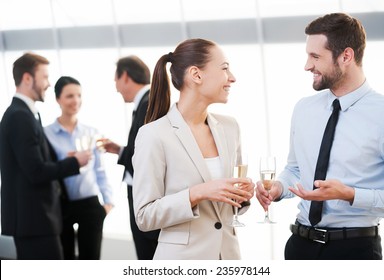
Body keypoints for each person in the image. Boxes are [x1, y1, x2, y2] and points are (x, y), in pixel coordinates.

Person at [256, 13, 384, 260]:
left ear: (346, 56)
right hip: (299, 245)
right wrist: (277, 188)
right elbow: (295, 170)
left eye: (315, 56)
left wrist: (349, 194)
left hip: (354, 251)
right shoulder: (304, 109)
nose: (307, 66)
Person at [132, 38, 254, 260]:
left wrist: (244, 196)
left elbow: (227, 207)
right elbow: (144, 216)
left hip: (228, 258)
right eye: (225, 68)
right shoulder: (154, 134)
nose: (232, 78)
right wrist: (197, 193)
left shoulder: (230, 127)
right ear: (196, 75)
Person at [0, 53, 90, 260]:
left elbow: (34, 163)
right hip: (34, 221)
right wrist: (75, 162)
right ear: (28, 78)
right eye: (45, 77)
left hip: (35, 220)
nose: (49, 84)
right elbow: (36, 171)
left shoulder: (27, 114)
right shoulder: (20, 116)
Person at [44, 76, 114, 259]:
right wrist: (67, 163)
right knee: (64, 259)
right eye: (69, 96)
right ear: (58, 99)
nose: (75, 101)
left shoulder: (91, 132)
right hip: (60, 206)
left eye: (79, 95)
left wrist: (108, 203)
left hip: (90, 205)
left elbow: (100, 171)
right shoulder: (46, 134)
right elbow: (45, 170)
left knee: (90, 260)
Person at [100, 55, 159, 260]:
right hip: (143, 194)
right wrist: (120, 150)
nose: (116, 87)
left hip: (144, 195)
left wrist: (124, 153)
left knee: (147, 255)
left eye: (116, 80)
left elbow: (145, 157)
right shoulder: (147, 101)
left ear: (125, 76)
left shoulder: (148, 103)